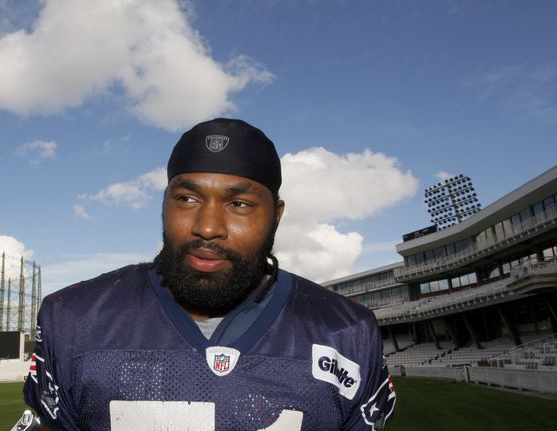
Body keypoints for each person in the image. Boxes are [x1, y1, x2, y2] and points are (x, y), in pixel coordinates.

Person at [22, 118, 396, 430]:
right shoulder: (71, 317)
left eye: (239, 203)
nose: (207, 226)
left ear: (276, 215)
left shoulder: (348, 332)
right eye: (187, 198)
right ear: (164, 202)